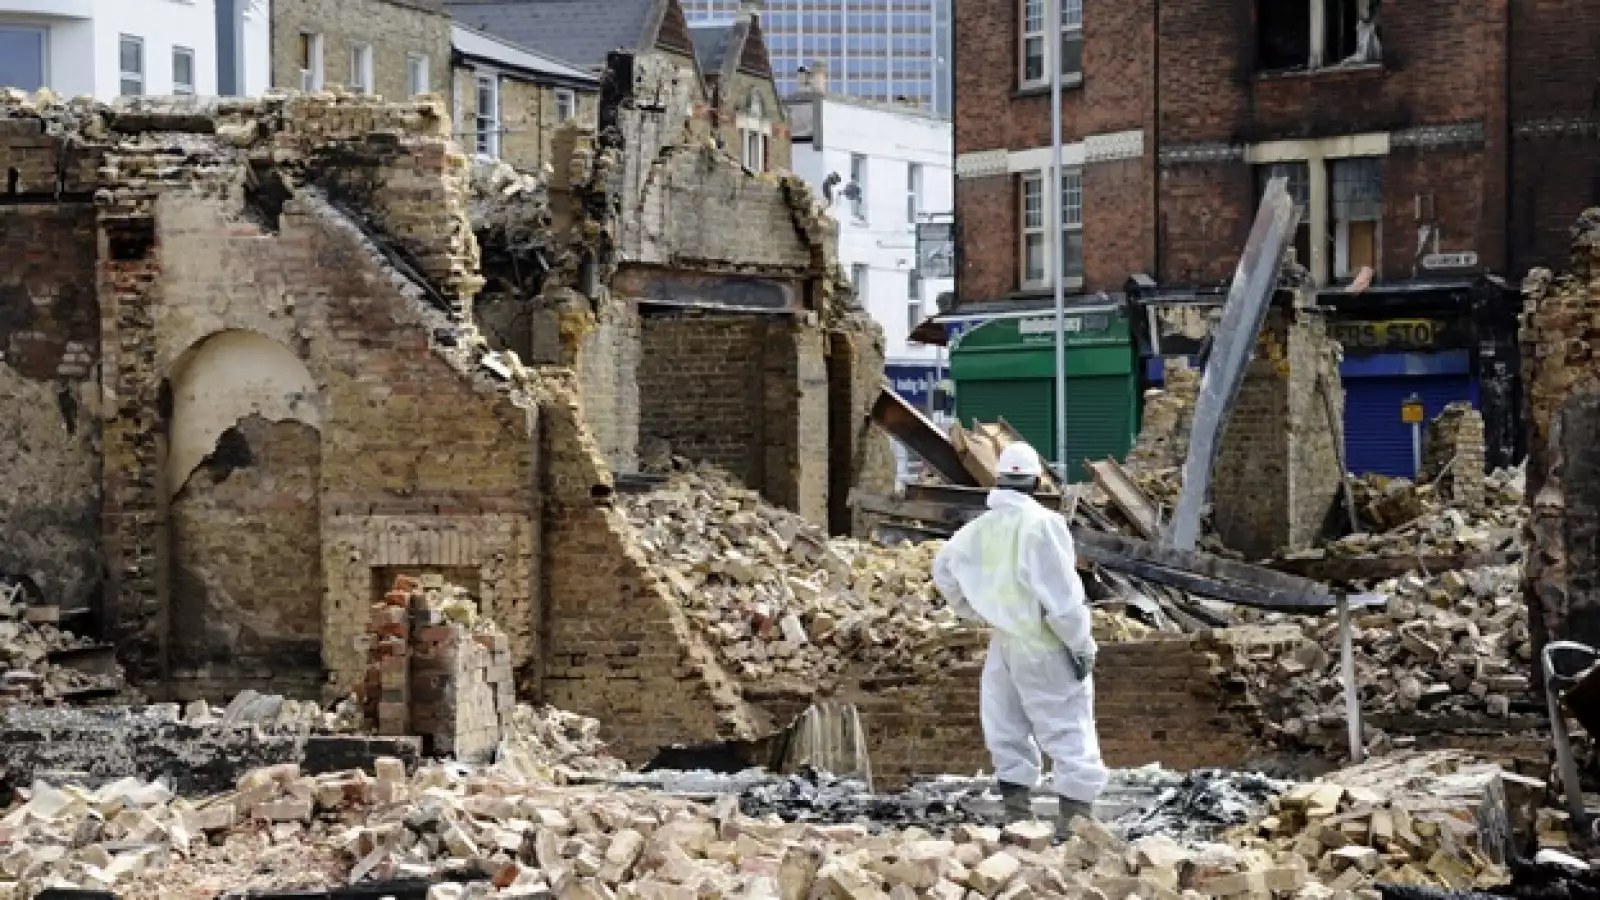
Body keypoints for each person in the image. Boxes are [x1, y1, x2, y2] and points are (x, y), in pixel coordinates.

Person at [931, 442, 1107, 825]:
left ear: (1000, 479)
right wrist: (1080, 644)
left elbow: (942, 568)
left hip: (1004, 644)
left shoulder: (978, 530)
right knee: (1068, 729)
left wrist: (970, 610)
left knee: (1006, 728)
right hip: (1044, 642)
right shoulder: (1044, 524)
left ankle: (1018, 820)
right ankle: (1075, 829)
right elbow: (1062, 598)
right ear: (1035, 480)